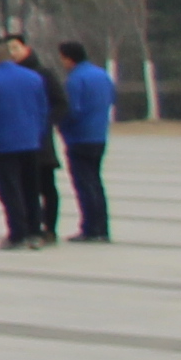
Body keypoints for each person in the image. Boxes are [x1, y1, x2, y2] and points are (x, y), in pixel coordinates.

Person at [0, 33, 63, 247]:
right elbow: (42, 110)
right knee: (31, 187)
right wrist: (38, 134)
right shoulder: (33, 78)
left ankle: (17, 233)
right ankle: (34, 230)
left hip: (2, 144)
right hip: (30, 142)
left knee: (10, 189)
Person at [59, 40, 119, 244]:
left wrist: (61, 126)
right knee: (96, 182)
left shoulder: (75, 79)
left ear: (68, 58)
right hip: (99, 135)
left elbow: (72, 110)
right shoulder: (102, 75)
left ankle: (90, 228)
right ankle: (102, 227)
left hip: (79, 137)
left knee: (84, 184)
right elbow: (112, 98)